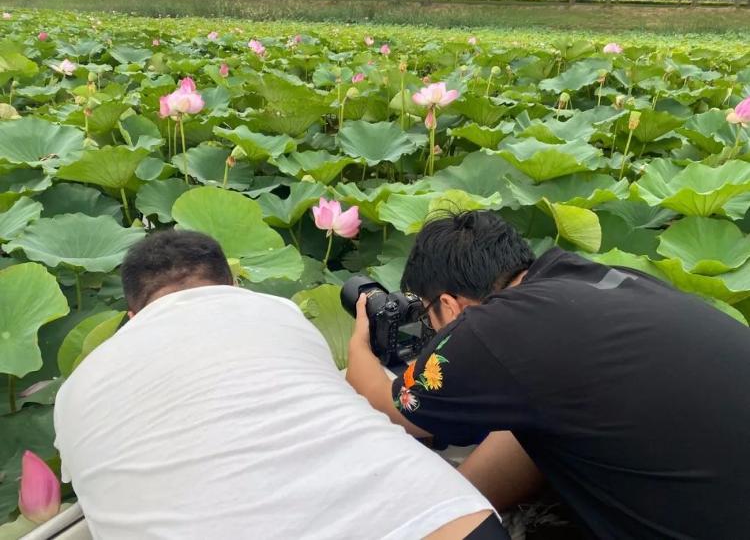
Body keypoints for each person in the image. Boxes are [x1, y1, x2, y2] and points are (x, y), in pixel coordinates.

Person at [54, 230, 506, 540]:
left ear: (133, 315)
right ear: (232, 284)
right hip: (438, 521)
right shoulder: (274, 310)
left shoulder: (72, 391)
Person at [346, 210, 750, 539]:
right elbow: (538, 423)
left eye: (428, 317)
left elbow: (390, 404)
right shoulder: (588, 277)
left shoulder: (490, 326)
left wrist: (361, 340)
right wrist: (458, 498)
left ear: (450, 307)